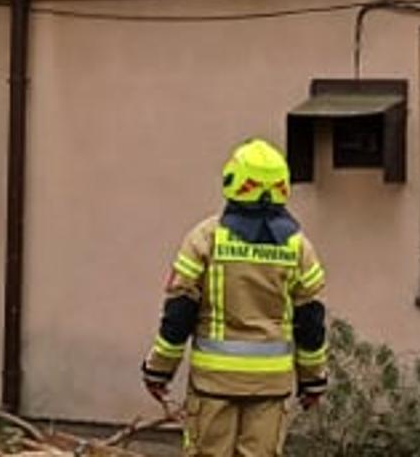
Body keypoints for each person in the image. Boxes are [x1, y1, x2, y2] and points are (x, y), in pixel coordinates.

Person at [141, 139, 329, 457]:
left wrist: (158, 370)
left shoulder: (205, 238)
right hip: (271, 385)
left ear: (233, 181)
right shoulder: (298, 247)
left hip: (213, 384)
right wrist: (313, 381)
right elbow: (310, 322)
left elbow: (179, 315)